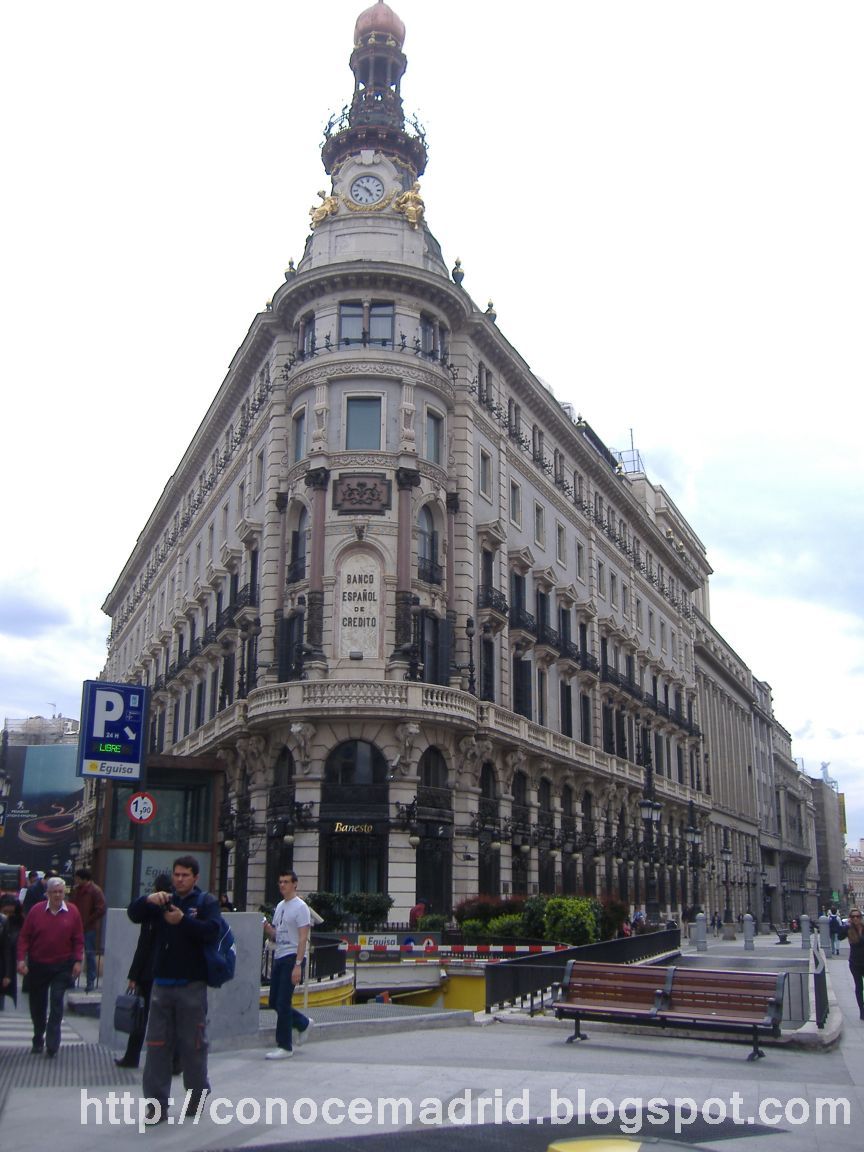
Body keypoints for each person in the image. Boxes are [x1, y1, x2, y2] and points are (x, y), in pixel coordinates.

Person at [127, 855, 220, 1123]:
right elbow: (134, 914)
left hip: (192, 984)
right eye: (176, 875)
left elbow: (212, 931)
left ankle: (196, 1095)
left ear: (195, 877)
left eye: (185, 875)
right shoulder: (162, 901)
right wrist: (148, 899)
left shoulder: (205, 902)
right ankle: (156, 1105)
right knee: (157, 1045)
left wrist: (184, 921)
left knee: (193, 1045)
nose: (179, 880)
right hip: (161, 984)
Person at [116, 874, 180, 1071]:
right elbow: (134, 915)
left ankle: (173, 1061)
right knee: (143, 1015)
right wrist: (147, 900)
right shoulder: (150, 908)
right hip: (149, 972)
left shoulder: (178, 908)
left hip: (165, 972)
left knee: (165, 1018)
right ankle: (133, 1056)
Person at [16, 876, 83, 1056]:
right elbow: (24, 937)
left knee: (56, 1000)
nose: (58, 895)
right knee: (37, 1004)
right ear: (47, 894)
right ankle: (38, 1036)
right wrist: (21, 959)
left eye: (61, 892)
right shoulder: (36, 911)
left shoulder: (72, 912)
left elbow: (78, 938)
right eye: (54, 892)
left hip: (62, 965)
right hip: (38, 964)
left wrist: (78, 960)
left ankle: (52, 1042)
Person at [263, 870, 313, 1059]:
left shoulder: (301, 907)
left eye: (286, 881)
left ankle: (285, 1045)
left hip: (292, 957)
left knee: (283, 1002)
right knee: (274, 1001)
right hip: (280, 955)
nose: (282, 885)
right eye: (280, 882)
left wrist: (298, 964)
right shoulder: (280, 906)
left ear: (295, 884)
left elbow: (302, 938)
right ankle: (302, 1023)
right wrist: (267, 928)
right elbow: (278, 934)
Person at [69, 866, 106, 992]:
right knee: (73, 952)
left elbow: (101, 908)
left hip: (88, 928)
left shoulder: (95, 890)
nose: (76, 880)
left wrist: (89, 920)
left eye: (78, 878)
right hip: (75, 926)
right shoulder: (77, 890)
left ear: (84, 879)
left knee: (89, 953)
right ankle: (71, 978)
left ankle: (90, 981)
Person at [838, 908, 864, 1020]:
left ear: (860, 917)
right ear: (850, 918)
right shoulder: (848, 929)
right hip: (855, 963)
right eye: (853, 917)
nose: (855, 918)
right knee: (859, 987)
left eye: (857, 916)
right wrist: (845, 926)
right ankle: (862, 1011)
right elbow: (839, 937)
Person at [0, 896, 24, 1009]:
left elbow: (7, 950)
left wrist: (8, 974)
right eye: (5, 912)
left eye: (11, 913)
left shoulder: (17, 922)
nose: (8, 915)